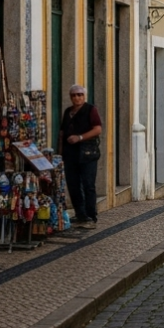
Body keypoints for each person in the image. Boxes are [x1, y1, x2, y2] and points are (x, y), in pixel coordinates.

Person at [60, 85, 102, 227]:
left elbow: (97, 129)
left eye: (79, 95)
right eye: (74, 95)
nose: (77, 97)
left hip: (87, 153)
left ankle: (91, 216)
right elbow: (62, 133)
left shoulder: (91, 110)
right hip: (70, 154)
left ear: (84, 96)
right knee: (73, 185)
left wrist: (80, 137)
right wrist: (59, 153)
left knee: (88, 184)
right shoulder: (68, 112)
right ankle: (80, 214)